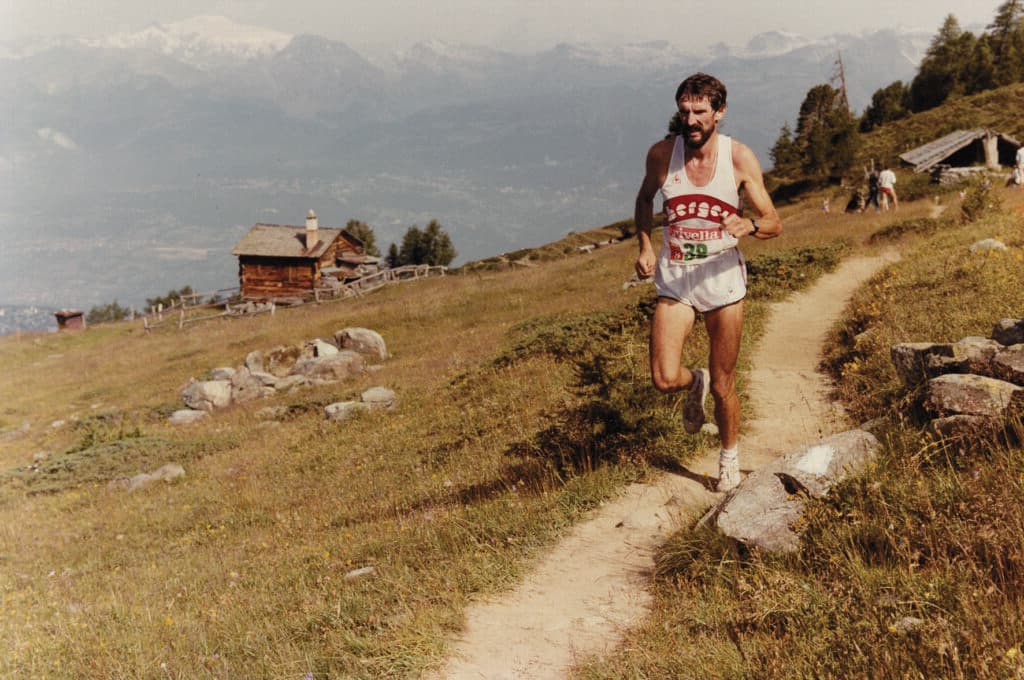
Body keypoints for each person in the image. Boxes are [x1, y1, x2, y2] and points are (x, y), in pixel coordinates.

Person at [634, 73, 781, 492]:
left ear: (720, 112)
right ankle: (690, 381)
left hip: (723, 285)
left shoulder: (739, 159)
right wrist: (646, 245)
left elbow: (774, 222)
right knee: (664, 378)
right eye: (685, 111)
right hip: (677, 280)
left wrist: (748, 225)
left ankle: (729, 460)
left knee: (723, 384)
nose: (691, 120)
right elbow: (644, 199)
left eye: (700, 112)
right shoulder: (663, 155)